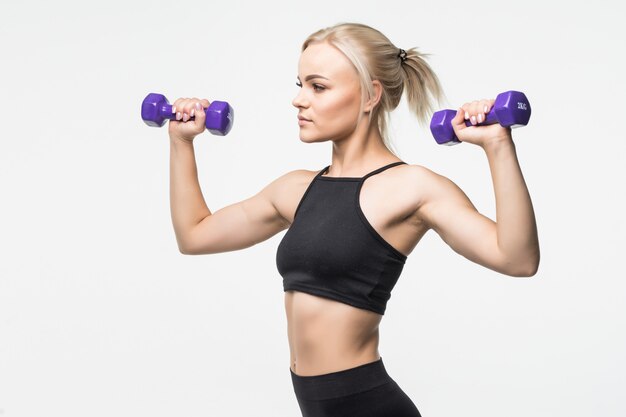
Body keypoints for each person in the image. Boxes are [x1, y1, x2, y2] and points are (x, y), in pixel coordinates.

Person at [166, 22, 539, 417]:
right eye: (300, 84)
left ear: (370, 95)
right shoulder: (295, 189)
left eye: (318, 86)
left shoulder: (412, 187)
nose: (298, 100)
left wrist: (498, 145)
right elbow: (194, 235)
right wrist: (180, 142)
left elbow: (517, 258)